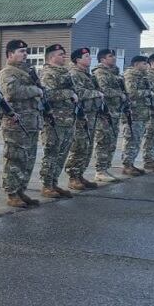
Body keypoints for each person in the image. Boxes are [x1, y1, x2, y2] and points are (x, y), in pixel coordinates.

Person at [0, 40, 43, 208]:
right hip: (16, 124)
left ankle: (21, 189)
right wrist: (36, 91)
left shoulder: (28, 72)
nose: (25, 54)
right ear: (10, 54)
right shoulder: (7, 72)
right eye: (21, 51)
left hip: (31, 122)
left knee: (28, 159)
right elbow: (11, 92)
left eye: (26, 51)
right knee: (14, 158)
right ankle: (11, 193)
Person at [38, 44, 77, 199]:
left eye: (64, 54)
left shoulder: (65, 73)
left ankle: (54, 183)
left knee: (62, 154)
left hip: (67, 119)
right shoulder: (47, 73)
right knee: (52, 153)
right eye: (61, 54)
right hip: (54, 120)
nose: (64, 57)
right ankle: (46, 185)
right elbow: (48, 95)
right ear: (52, 57)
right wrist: (69, 93)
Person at [64, 47, 101, 190]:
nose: (89, 58)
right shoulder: (74, 74)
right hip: (81, 116)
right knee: (79, 146)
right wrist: (95, 93)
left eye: (89, 56)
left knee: (87, 147)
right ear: (77, 60)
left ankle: (80, 174)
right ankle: (73, 177)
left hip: (91, 115)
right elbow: (78, 92)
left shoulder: (88, 75)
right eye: (86, 56)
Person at [92, 49, 125, 182]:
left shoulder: (114, 73)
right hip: (105, 114)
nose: (114, 58)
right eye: (110, 56)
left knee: (111, 142)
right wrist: (119, 93)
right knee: (103, 141)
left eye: (114, 56)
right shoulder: (100, 72)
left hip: (115, 113)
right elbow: (104, 90)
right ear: (102, 59)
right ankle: (99, 170)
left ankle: (105, 168)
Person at [121, 55, 153, 175]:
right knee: (131, 139)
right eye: (144, 63)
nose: (146, 66)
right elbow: (131, 92)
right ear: (136, 64)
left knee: (136, 140)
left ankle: (131, 164)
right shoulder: (131, 75)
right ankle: (127, 165)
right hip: (133, 114)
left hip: (141, 113)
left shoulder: (142, 76)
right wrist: (147, 92)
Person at [143, 53, 154, 171]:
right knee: (150, 135)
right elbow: (151, 91)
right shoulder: (149, 75)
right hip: (151, 110)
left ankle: (153, 158)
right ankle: (148, 160)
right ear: (152, 62)